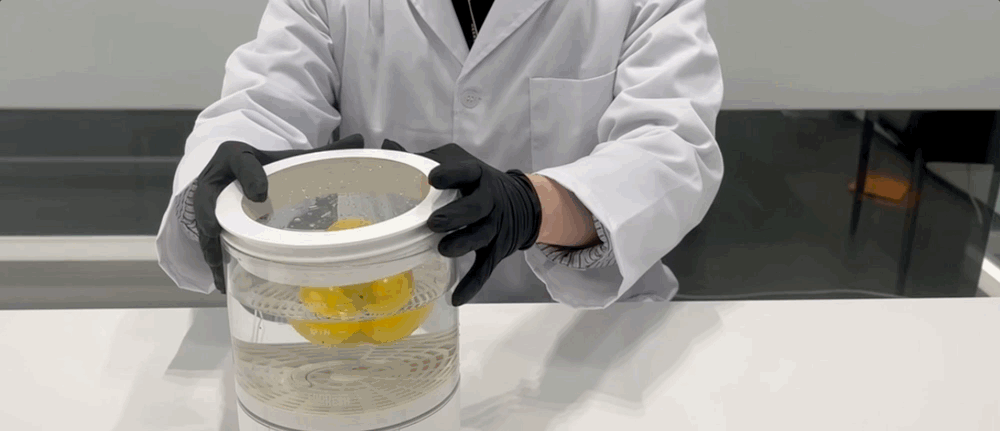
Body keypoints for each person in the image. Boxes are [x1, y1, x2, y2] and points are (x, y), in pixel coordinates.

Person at [155, 0, 725, 309]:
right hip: (372, 326)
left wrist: (531, 206)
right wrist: (218, 187)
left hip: (577, 333)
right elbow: (262, 106)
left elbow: (672, 148)